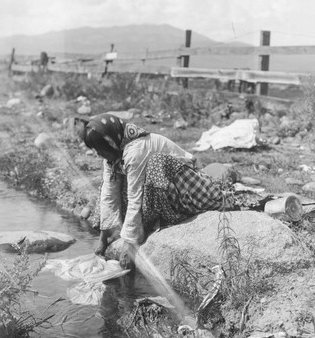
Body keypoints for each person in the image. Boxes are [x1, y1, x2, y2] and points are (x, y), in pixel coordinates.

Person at [80, 113, 235, 270]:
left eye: (99, 150)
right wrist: (103, 239)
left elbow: (135, 196)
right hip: (163, 190)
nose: (97, 154)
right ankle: (137, 225)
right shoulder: (113, 154)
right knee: (107, 184)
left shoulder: (137, 149)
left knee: (156, 163)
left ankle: (167, 217)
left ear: (111, 143)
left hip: (187, 189)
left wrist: (129, 244)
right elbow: (109, 193)